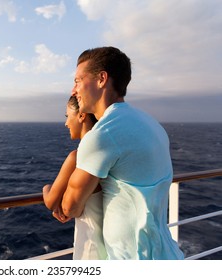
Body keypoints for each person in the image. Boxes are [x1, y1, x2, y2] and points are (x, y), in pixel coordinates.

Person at [60, 46, 184, 259]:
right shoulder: (151, 123)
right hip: (166, 253)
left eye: (78, 81)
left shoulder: (103, 134)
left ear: (101, 79)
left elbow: (69, 207)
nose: (74, 90)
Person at [42, 96, 107, 260]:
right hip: (111, 246)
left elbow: (51, 201)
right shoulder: (108, 151)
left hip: (90, 247)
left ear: (81, 115)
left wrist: (46, 188)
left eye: (67, 116)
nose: (66, 123)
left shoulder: (77, 157)